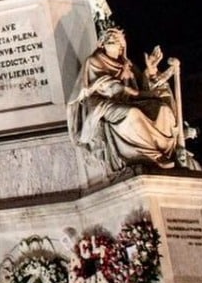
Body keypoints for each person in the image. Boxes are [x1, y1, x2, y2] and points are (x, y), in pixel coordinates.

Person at [66, 26, 192, 173]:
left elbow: (143, 86)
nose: (115, 44)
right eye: (111, 40)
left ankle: (164, 151)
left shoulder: (127, 64)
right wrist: (126, 89)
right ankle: (152, 155)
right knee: (132, 114)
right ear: (103, 43)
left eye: (118, 41)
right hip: (105, 103)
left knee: (163, 110)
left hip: (131, 100)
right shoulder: (94, 61)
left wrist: (151, 71)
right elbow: (99, 85)